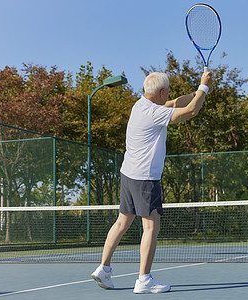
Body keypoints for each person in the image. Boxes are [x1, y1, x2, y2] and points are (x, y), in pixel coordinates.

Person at [91, 71, 213, 293]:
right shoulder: (153, 113)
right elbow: (191, 110)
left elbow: (176, 103)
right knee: (150, 227)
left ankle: (103, 268)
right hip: (145, 178)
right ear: (162, 92)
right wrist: (203, 90)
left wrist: (199, 91)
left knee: (122, 223)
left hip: (128, 174)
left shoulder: (139, 105)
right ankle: (144, 280)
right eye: (167, 93)